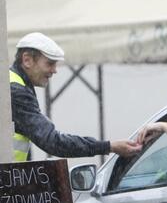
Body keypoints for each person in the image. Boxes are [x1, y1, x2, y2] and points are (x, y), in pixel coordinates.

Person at [10, 32, 148, 162]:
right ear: (27, 60)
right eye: (50, 63)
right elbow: (53, 142)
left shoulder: (14, 84)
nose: (54, 70)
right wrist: (109, 146)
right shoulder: (18, 92)